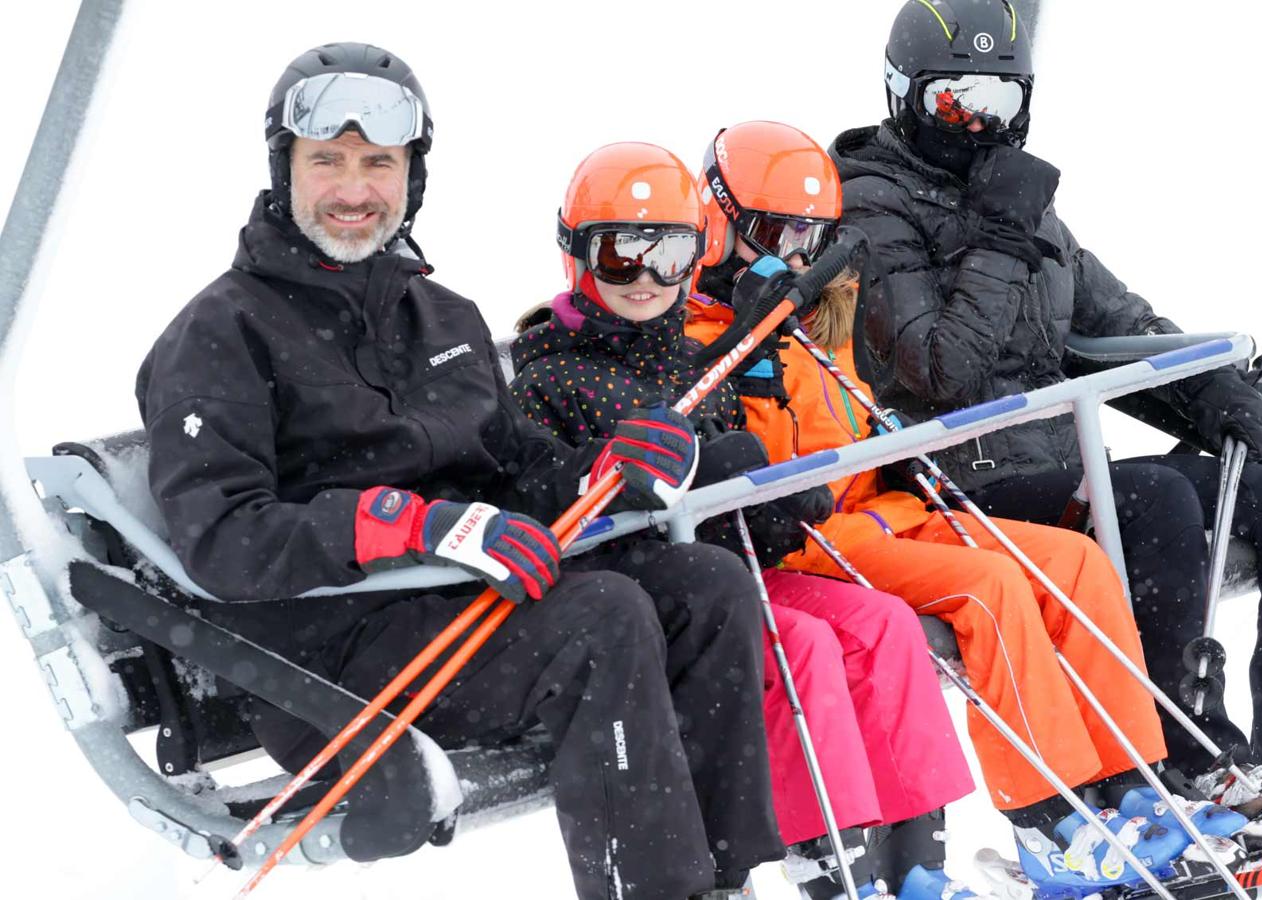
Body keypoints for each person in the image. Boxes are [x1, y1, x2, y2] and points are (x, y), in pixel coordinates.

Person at [135, 43, 783, 900]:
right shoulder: (222, 333)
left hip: (466, 611)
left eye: (379, 163)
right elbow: (221, 539)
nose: (354, 189)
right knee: (604, 616)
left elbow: (512, 473)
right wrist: (404, 523)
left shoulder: (442, 317)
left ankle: (725, 879)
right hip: (330, 661)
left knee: (705, 584)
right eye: (326, 161)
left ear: (412, 175)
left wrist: (605, 467)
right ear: (282, 168)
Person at [831, 0, 1262, 812]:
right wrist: (997, 237)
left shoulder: (1027, 208)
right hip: (950, 483)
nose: (976, 125)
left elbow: (1116, 325)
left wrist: (1206, 393)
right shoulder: (866, 210)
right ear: (902, 94)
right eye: (952, 100)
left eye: (999, 103)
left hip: (1056, 470)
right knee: (1153, 499)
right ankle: (1185, 761)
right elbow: (941, 369)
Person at [685, 120, 1223, 893]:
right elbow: (727, 442)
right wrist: (750, 339)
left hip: (887, 508)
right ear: (715, 220)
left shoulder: (817, 311)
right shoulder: (706, 332)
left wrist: (888, 438)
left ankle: (1131, 785)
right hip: (816, 537)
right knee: (988, 589)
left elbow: (867, 399)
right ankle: (1049, 817)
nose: (796, 251)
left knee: (1072, 561)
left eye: (812, 232)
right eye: (774, 230)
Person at [509, 140, 975, 900]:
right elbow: (551, 505)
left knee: (880, 623)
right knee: (803, 648)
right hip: (653, 604)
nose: (649, 279)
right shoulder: (551, 375)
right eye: (623, 256)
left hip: (734, 575)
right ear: (577, 256)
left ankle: (918, 863)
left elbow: (742, 502)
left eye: (672, 255)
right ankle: (833, 866)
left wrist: (776, 507)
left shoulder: (695, 365)